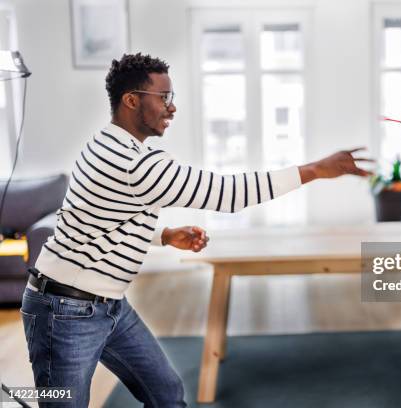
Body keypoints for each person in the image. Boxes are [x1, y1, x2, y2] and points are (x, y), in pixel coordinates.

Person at [20, 53, 371, 407]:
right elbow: (229, 194)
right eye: (164, 98)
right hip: (63, 310)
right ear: (131, 100)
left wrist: (164, 235)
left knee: (167, 394)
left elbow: (94, 216)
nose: (172, 108)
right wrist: (315, 170)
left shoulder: (101, 144)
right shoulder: (137, 164)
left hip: (107, 304)